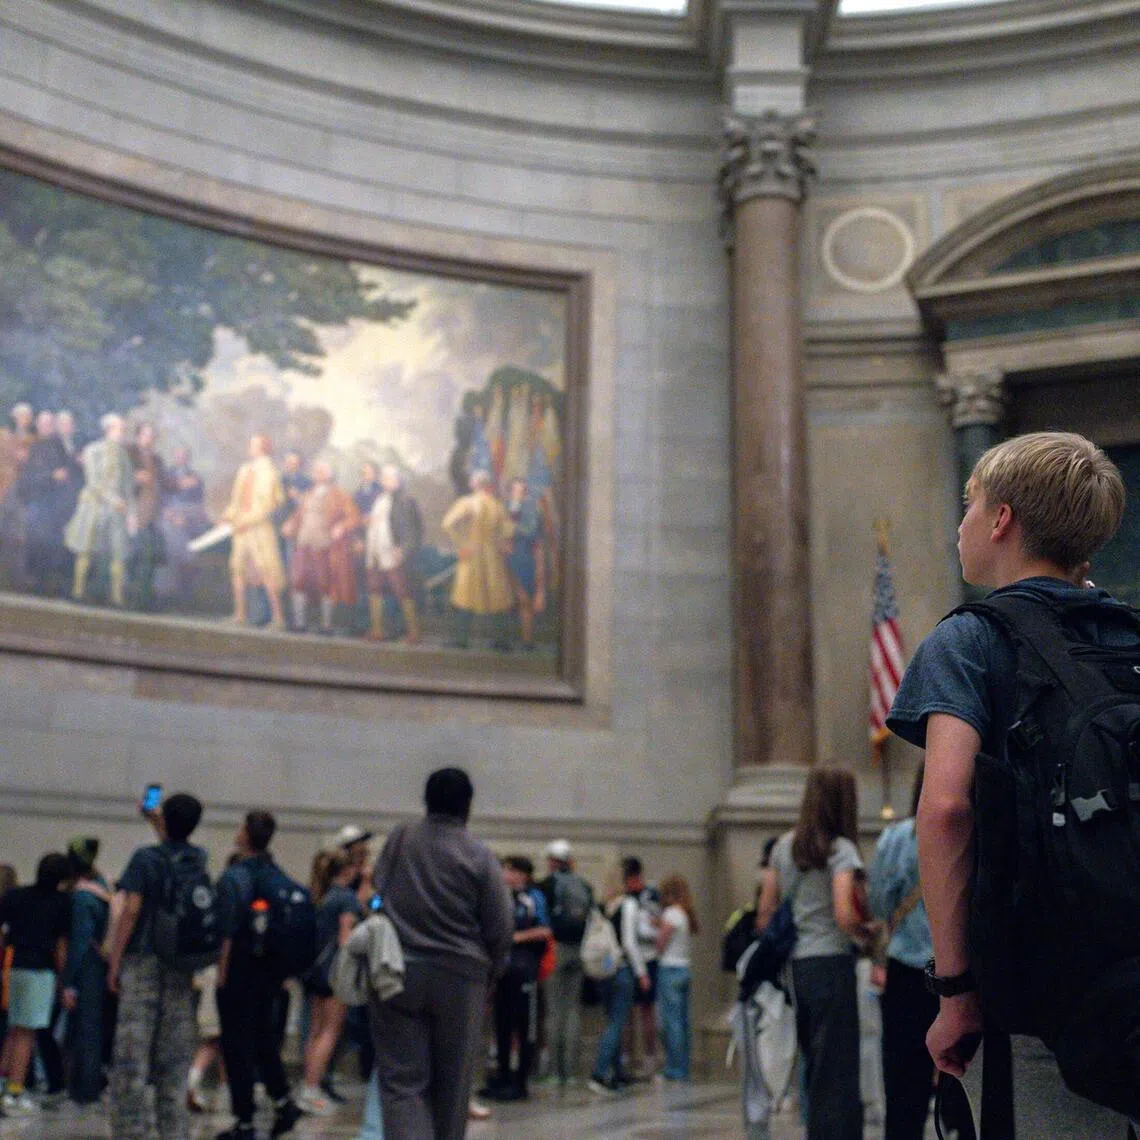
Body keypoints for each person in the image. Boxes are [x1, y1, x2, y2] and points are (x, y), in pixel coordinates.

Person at [887, 431, 1135, 1137]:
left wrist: (958, 993)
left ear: (1000, 521)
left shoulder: (970, 640)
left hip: (1037, 999)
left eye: (969, 506)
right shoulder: (1131, 634)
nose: (959, 525)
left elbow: (944, 808)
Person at [369, 767, 513, 1140]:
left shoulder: (401, 838)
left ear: (426, 801)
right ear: (468, 805)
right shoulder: (479, 855)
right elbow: (500, 925)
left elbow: (378, 886)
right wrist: (494, 973)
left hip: (398, 970)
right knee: (453, 1085)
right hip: (461, 978)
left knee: (401, 1083)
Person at [761, 766, 871, 1140]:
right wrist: (865, 933)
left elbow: (765, 913)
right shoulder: (841, 849)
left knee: (814, 1062)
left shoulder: (782, 847)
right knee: (838, 1068)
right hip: (832, 965)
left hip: (797, 968)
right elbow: (844, 913)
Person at [106, 793, 207, 1140]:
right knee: (173, 1058)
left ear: (165, 820)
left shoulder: (144, 859)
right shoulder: (198, 858)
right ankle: (174, 1130)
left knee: (132, 1058)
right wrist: (158, 820)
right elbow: (174, 847)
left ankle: (130, 1131)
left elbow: (131, 910)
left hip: (143, 960)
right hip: (180, 964)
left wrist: (115, 960)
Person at [214, 811, 304, 1140]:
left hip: (240, 971)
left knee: (236, 1045)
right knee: (264, 1039)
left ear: (246, 834)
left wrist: (222, 975)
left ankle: (244, 1121)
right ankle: (282, 1100)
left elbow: (227, 930)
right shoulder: (277, 874)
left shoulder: (236, 877)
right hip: (271, 974)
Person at [0, 851, 70, 1115]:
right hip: (40, 972)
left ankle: (3, 1085)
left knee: (14, 1029)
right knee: (27, 1034)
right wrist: (64, 981)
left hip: (14, 966)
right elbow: (61, 946)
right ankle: (14, 1092)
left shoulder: (16, 896)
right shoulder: (61, 903)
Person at [298, 849, 363, 1116]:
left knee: (314, 1031)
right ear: (347, 870)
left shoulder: (319, 895)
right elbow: (345, 940)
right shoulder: (347, 898)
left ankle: (307, 1086)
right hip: (336, 973)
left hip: (315, 970)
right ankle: (312, 1089)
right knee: (330, 1032)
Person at [482, 855, 550, 1102]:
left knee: (524, 1026)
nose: (504, 874)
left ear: (522, 874)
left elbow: (544, 930)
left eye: (509, 870)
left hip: (524, 969)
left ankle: (520, 1080)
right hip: (502, 969)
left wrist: (517, 937)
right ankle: (502, 1075)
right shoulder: (500, 896)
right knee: (501, 1024)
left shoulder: (533, 898)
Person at [589, 857, 654, 1093]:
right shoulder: (628, 905)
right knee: (617, 1023)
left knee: (612, 1021)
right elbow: (629, 942)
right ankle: (599, 1072)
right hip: (622, 969)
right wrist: (642, 972)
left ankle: (616, 1072)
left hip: (604, 970)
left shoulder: (600, 906)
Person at [282, 459, 361, 634]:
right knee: (298, 581)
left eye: (322, 471)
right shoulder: (309, 493)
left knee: (325, 584)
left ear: (329, 475)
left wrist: (341, 527)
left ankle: (326, 626)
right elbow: (299, 515)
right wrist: (290, 524)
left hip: (325, 546)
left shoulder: (339, 494)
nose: (317, 475)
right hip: (304, 543)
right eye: (316, 471)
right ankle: (300, 623)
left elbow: (354, 517)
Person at [60, 837, 111, 1106]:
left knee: (85, 1030)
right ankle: (88, 1085)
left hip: (88, 967)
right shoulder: (102, 888)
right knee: (93, 1028)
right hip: (101, 965)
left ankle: (85, 1089)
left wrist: (69, 982)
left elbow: (80, 942)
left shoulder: (82, 897)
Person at [537, 839, 592, 1087]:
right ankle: (570, 1072)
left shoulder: (547, 885)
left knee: (553, 1010)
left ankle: (552, 1072)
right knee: (572, 1011)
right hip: (580, 950)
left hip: (555, 950)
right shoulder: (584, 886)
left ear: (551, 861)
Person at [65, 412, 133, 607]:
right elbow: (94, 482)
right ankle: (78, 591)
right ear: (109, 429)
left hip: (117, 511)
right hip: (94, 507)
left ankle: (117, 597)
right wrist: (113, 500)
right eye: (120, 429)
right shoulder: (93, 450)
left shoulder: (124, 456)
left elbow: (128, 487)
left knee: (118, 553)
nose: (122, 433)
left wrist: (131, 512)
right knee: (85, 550)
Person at [441, 470, 514, 650]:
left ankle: (461, 640)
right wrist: (501, 544)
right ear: (487, 485)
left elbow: (447, 523)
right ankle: (500, 641)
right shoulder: (497, 505)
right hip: (492, 557)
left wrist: (462, 544)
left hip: (472, 554)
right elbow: (507, 531)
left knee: (465, 597)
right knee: (495, 597)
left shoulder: (467, 502)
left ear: (474, 484)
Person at [221, 433, 287, 629]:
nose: (249, 447)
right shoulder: (245, 470)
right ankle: (240, 614)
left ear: (262, 448)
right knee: (238, 568)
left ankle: (278, 619)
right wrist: (228, 516)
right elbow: (236, 500)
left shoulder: (269, 472)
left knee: (267, 571)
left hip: (259, 529)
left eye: (253, 445)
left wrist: (245, 521)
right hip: (242, 529)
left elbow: (267, 506)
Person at [18, 409, 81, 596]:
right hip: (37, 500)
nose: (46, 427)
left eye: (49, 424)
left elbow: (68, 472)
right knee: (37, 540)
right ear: (38, 425)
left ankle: (49, 584)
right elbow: (29, 476)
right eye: (43, 424)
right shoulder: (34, 446)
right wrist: (51, 476)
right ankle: (34, 582)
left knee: (55, 544)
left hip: (55, 503)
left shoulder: (58, 446)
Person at [364, 463, 423, 644]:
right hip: (375, 553)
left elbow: (413, 530)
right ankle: (377, 630)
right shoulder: (381, 499)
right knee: (374, 589)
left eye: (389, 478)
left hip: (393, 554)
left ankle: (413, 633)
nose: (384, 481)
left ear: (398, 480)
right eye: (384, 478)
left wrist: (403, 549)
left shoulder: (405, 500)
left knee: (402, 591)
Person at [655, 873, 699, 1083]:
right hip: (684, 969)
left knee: (670, 1023)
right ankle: (683, 1066)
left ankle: (674, 1068)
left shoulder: (671, 913)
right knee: (682, 1021)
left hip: (669, 969)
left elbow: (661, 942)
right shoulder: (686, 914)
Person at [127, 421, 170, 610]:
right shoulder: (129, 454)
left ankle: (144, 600)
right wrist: (134, 477)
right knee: (135, 557)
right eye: (146, 435)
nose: (149, 439)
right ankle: (133, 600)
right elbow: (119, 478)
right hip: (134, 511)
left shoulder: (157, 460)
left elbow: (165, 484)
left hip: (153, 515)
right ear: (139, 436)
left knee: (151, 558)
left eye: (152, 436)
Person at [504, 477, 546, 649]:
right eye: (516, 490)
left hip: (525, 557)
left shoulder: (532, 511)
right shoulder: (505, 508)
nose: (519, 494)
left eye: (522, 491)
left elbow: (533, 535)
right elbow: (503, 532)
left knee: (525, 600)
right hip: (507, 558)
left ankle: (527, 641)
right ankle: (504, 640)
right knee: (507, 599)